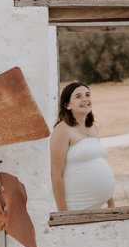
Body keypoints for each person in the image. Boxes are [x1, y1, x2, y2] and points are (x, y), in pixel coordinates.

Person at [49, 81, 116, 211]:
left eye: (87, 95)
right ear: (67, 105)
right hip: (76, 206)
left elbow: (99, 163)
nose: (85, 99)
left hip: (98, 207)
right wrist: (63, 213)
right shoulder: (62, 130)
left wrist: (110, 201)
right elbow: (56, 174)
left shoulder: (93, 128)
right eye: (78, 96)